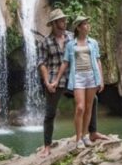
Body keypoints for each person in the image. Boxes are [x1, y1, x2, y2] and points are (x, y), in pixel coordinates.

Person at [37, 9, 107, 156]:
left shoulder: (72, 37)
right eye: (61, 20)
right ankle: (47, 146)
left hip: (75, 77)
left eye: (65, 19)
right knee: (50, 113)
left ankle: (91, 133)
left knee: (92, 100)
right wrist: (47, 81)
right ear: (54, 23)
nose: (65, 22)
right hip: (55, 80)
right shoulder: (46, 42)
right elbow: (41, 63)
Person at [54, 15, 104, 149]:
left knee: (88, 107)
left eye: (88, 24)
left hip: (92, 77)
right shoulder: (71, 45)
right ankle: (78, 138)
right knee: (80, 107)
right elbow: (65, 63)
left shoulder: (93, 43)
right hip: (78, 78)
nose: (88, 26)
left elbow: (98, 60)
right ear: (79, 27)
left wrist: (101, 79)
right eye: (85, 24)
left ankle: (85, 135)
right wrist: (56, 80)